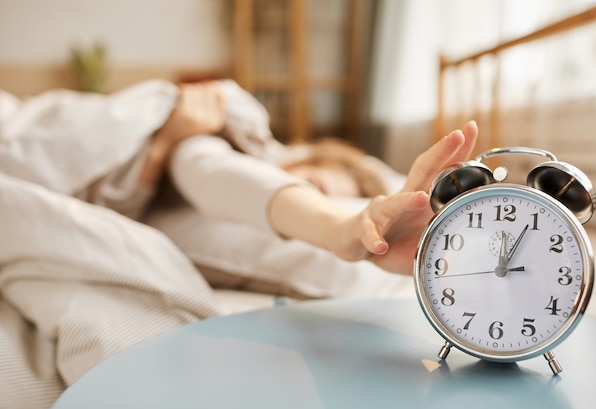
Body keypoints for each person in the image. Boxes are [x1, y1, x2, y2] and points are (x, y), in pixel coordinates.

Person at [0, 79, 478, 276]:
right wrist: (338, 227)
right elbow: (209, 169)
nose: (309, 195)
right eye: (314, 184)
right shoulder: (222, 144)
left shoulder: (188, 153)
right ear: (297, 161)